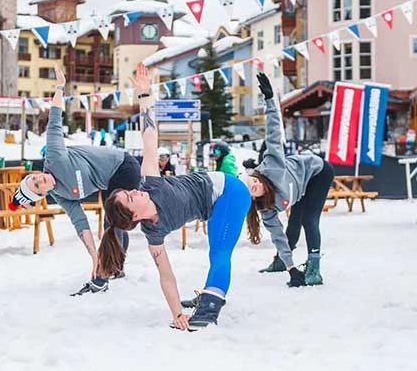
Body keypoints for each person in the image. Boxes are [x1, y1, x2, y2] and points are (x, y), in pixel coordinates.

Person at [98, 63, 251, 330]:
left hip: (229, 190)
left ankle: (210, 307)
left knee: (219, 252)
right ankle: (207, 298)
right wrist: (176, 313)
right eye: (131, 197)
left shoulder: (150, 184)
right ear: (134, 216)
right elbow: (166, 276)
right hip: (215, 207)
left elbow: (149, 138)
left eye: (128, 191)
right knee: (216, 251)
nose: (135, 190)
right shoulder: (153, 233)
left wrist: (144, 95)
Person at [11, 64, 141, 296]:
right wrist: (93, 254)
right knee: (115, 221)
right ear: (43, 194)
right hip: (108, 181)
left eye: (34, 178)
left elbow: (54, 121)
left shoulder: (54, 156)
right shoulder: (61, 196)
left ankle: (105, 274)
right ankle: (113, 267)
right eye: (38, 185)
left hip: (123, 165)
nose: (41, 178)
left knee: (112, 220)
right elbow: (80, 224)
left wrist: (60, 86)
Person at [245, 73, 334, 286]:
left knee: (308, 219)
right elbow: (277, 236)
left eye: (254, 181)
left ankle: (314, 269)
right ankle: (280, 262)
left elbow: (274, 130)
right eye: (252, 189)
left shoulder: (271, 166)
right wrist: (290, 268)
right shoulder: (265, 210)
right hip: (301, 186)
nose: (256, 184)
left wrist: (269, 99)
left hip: (318, 172)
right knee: (293, 223)